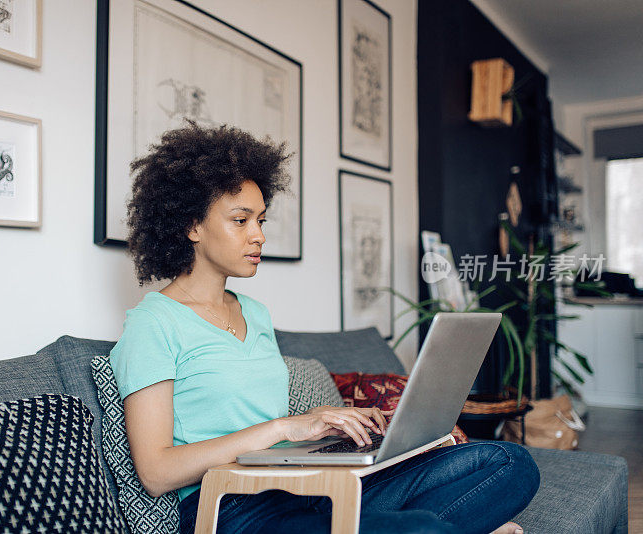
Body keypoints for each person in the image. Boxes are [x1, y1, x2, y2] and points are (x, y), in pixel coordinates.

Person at [109, 120, 540, 534]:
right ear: (191, 225)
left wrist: (313, 421)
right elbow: (156, 471)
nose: (258, 235)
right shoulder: (153, 324)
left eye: (261, 220)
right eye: (241, 220)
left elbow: (261, 425)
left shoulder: (254, 312)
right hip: (233, 509)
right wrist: (283, 428)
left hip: (303, 484)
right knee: (421, 527)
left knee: (509, 463)